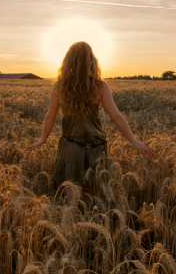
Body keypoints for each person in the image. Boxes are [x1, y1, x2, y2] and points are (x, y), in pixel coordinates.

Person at [29, 41, 155, 211]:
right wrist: (133, 141)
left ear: (68, 61)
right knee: (88, 199)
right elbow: (116, 117)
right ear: (91, 61)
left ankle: (72, 236)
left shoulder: (59, 86)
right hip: (96, 148)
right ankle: (87, 234)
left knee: (72, 201)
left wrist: (42, 139)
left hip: (71, 146)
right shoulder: (100, 86)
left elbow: (50, 117)